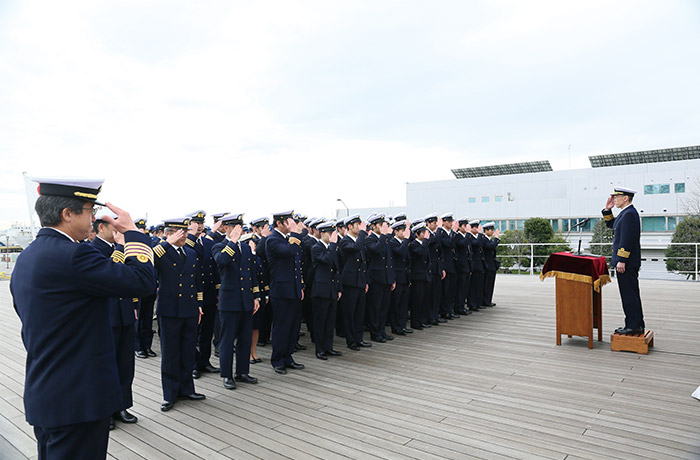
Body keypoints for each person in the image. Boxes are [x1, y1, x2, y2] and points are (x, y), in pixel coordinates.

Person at [11, 178, 156, 460]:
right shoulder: (76, 255)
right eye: (89, 210)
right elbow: (142, 282)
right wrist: (134, 233)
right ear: (67, 214)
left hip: (47, 393)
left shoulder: (28, 257)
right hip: (79, 400)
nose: (94, 218)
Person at [91, 209, 139, 430]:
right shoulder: (91, 249)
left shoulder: (123, 248)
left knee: (125, 363)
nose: (119, 231)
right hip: (106, 315)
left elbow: (131, 277)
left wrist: (134, 305)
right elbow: (109, 272)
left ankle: (122, 405)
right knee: (105, 365)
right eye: (115, 227)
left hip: (124, 311)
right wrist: (121, 248)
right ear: (101, 227)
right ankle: (105, 410)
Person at [152, 217, 206, 412]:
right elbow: (149, 259)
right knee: (170, 353)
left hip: (189, 308)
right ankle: (170, 394)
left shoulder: (190, 253)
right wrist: (167, 243)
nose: (183, 235)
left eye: (185, 232)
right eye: (179, 232)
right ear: (169, 233)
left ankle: (187, 388)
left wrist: (199, 304)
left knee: (188, 350)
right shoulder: (161, 251)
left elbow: (197, 281)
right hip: (170, 310)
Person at [211, 214, 260, 389]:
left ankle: (242, 372)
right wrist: (232, 241)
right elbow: (222, 261)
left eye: (240, 226)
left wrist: (256, 296)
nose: (239, 230)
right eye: (235, 227)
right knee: (227, 339)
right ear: (226, 228)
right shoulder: (219, 246)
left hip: (246, 300)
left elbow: (251, 273)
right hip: (229, 301)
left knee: (245, 339)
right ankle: (227, 375)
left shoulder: (246, 249)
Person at [266, 210, 306, 374]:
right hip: (281, 291)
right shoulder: (272, 240)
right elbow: (289, 251)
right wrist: (296, 232)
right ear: (279, 223)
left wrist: (300, 286)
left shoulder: (288, 239)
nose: (292, 225)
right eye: (288, 222)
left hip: (293, 289)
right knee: (282, 327)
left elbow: (296, 266)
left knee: (293, 326)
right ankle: (278, 360)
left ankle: (288, 356)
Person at [603, 187, 645, 335]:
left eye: (617, 197)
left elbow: (627, 239)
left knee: (629, 295)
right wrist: (608, 210)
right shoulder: (626, 213)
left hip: (626, 263)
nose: (614, 200)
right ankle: (635, 324)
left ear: (625, 198)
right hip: (626, 262)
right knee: (630, 294)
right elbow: (612, 225)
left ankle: (633, 326)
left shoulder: (629, 214)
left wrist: (621, 260)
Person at [186, 210, 221, 379]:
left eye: (201, 222)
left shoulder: (208, 243)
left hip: (208, 293)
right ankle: (194, 364)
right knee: (194, 331)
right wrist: (191, 234)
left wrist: (217, 291)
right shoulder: (186, 242)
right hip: (192, 295)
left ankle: (205, 361)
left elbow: (214, 269)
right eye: (195, 222)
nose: (199, 225)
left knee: (207, 331)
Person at [338, 214, 371, 351]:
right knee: (350, 313)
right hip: (350, 283)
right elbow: (356, 248)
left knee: (359, 313)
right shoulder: (345, 241)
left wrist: (366, 281)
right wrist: (363, 233)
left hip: (360, 282)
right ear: (349, 227)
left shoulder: (359, 241)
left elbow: (364, 264)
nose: (359, 227)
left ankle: (359, 338)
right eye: (357, 225)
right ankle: (351, 340)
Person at [310, 221, 343, 359]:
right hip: (321, 290)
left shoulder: (331, 248)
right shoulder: (316, 248)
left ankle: (329, 347)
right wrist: (334, 245)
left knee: (330, 321)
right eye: (329, 233)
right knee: (320, 321)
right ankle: (320, 349)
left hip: (332, 289)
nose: (331, 236)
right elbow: (327, 260)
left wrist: (339, 288)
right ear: (322, 233)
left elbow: (337, 270)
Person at [364, 213, 396, 342]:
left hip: (386, 279)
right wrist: (383, 235)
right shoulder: (370, 239)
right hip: (376, 279)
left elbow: (389, 261)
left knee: (384, 308)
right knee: (375, 308)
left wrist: (392, 278)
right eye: (380, 225)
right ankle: (375, 332)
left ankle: (382, 331)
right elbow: (376, 250)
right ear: (373, 226)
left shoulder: (386, 239)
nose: (383, 227)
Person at [389, 219, 412, 335]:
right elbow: (400, 252)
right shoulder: (393, 243)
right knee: (396, 304)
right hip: (397, 278)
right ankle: (396, 326)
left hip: (405, 278)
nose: (404, 233)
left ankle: (402, 325)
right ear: (396, 232)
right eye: (402, 231)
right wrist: (406, 240)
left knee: (403, 304)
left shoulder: (404, 243)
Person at [408, 222, 432, 330]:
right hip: (417, 277)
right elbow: (420, 253)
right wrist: (426, 241)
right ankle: (415, 322)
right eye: (422, 233)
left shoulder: (424, 245)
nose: (425, 234)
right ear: (416, 234)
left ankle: (422, 320)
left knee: (424, 300)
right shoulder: (413, 245)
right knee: (417, 301)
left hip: (425, 276)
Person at [437, 213, 459, 320]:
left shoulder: (450, 233)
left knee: (451, 289)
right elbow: (448, 244)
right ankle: (444, 311)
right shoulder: (441, 233)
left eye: (452, 222)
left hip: (453, 264)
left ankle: (450, 310)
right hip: (445, 264)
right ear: (444, 222)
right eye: (449, 222)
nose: (451, 224)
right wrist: (454, 233)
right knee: (445, 290)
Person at [424, 214, 446, 325]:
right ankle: (430, 316)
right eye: (434, 223)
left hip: (436, 268)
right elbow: (434, 241)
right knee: (431, 294)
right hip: (430, 269)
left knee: (437, 294)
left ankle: (435, 315)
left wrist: (441, 268)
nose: (436, 225)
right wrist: (440, 229)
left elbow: (439, 253)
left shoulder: (434, 233)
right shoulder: (426, 233)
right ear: (428, 223)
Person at [452, 217, 473, 316]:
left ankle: (462, 306)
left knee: (465, 288)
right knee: (460, 288)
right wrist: (468, 233)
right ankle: (458, 307)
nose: (467, 228)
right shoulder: (458, 236)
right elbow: (463, 244)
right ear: (459, 227)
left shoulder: (465, 236)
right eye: (465, 226)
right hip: (460, 266)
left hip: (466, 266)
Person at [467, 219, 485, 311]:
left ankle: (477, 303)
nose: (477, 229)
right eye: (476, 227)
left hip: (479, 264)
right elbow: (476, 244)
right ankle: (472, 304)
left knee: (478, 285)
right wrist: (480, 235)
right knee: (473, 286)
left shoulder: (477, 237)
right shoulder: (469, 236)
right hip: (473, 264)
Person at [481, 222, 500, 307]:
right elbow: (491, 247)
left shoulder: (489, 239)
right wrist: (496, 238)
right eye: (491, 230)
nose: (492, 232)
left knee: (491, 284)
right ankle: (485, 300)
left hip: (492, 264)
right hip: (487, 265)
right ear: (486, 230)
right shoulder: (483, 239)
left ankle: (488, 300)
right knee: (486, 284)